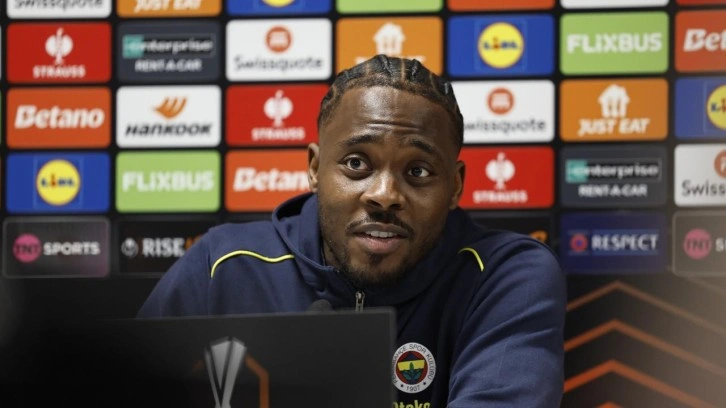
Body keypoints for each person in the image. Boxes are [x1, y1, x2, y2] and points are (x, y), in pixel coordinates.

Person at [139, 55, 566, 407]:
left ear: (455, 186)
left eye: (418, 171)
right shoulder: (223, 266)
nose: (384, 195)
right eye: (357, 164)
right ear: (314, 168)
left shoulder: (503, 275)